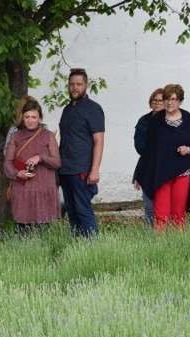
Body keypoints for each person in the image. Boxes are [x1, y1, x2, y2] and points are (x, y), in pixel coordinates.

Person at [138, 84, 190, 231]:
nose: (169, 102)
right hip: (161, 175)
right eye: (166, 99)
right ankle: (161, 249)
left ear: (180, 101)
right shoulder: (156, 122)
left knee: (179, 214)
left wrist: (188, 150)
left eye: (173, 99)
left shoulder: (189, 119)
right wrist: (140, 173)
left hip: (182, 174)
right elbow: (149, 150)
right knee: (160, 215)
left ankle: (179, 247)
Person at [58, 68, 104, 237]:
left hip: (82, 170)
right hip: (65, 169)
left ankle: (91, 249)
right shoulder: (67, 110)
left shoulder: (93, 109)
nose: (74, 87)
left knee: (83, 210)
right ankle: (78, 247)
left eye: (79, 84)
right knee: (72, 212)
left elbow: (99, 141)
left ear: (86, 85)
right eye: (71, 84)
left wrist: (94, 170)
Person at [4, 100, 61, 231]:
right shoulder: (16, 137)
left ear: (39, 117)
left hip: (44, 190)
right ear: (22, 118)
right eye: (27, 117)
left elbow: (57, 162)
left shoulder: (48, 136)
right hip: (23, 191)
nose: (30, 120)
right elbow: (7, 163)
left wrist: (40, 157)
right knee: (23, 231)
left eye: (34, 117)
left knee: (44, 232)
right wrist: (18, 174)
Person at [132, 88, 165, 225]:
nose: (157, 103)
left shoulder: (170, 121)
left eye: (160, 101)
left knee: (164, 206)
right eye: (154, 100)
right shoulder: (144, 120)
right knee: (149, 207)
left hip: (165, 167)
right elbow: (139, 145)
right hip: (147, 165)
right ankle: (151, 237)